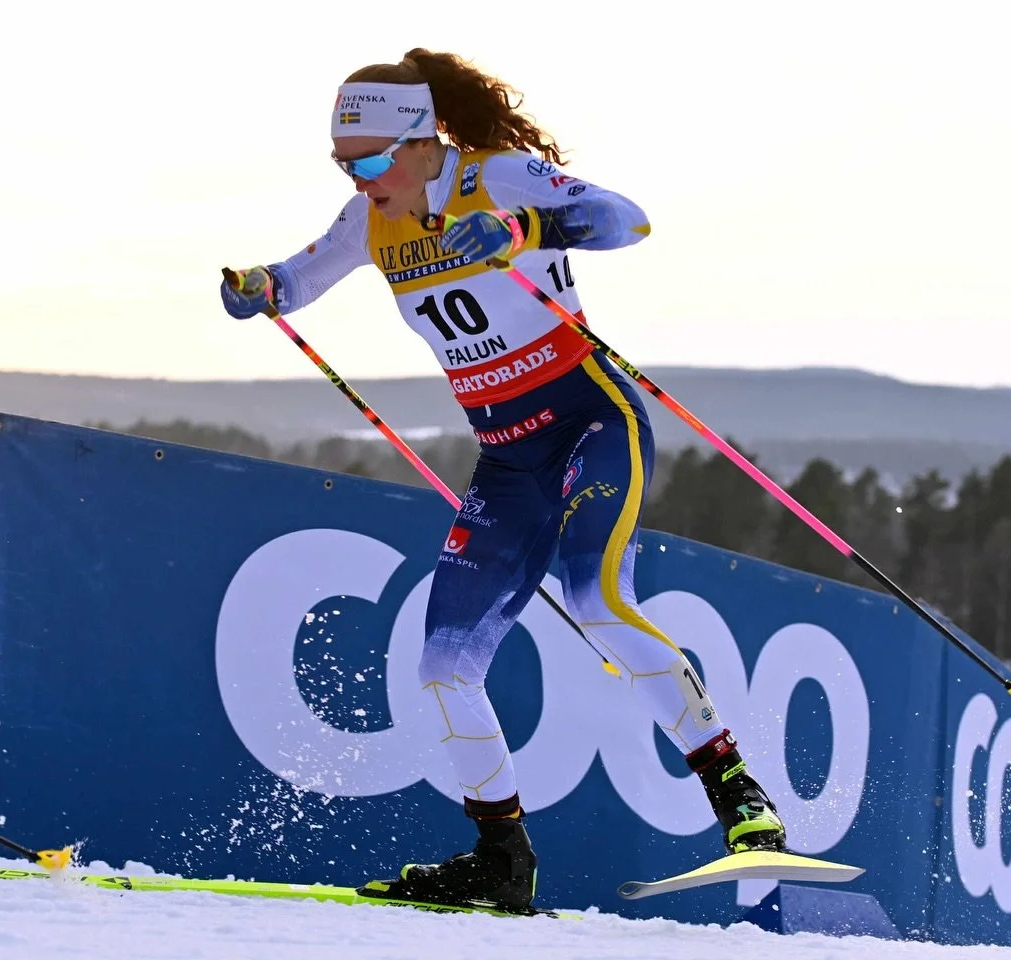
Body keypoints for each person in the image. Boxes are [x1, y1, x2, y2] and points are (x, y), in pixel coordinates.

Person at [220, 48, 786, 914]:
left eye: (372, 160)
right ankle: (501, 860)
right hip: (507, 459)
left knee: (598, 601)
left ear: (420, 141)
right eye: (345, 162)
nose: (362, 177)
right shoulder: (367, 221)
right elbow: (296, 281)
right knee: (443, 665)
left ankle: (740, 798)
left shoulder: (501, 178)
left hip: (590, 420)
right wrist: (258, 286)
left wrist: (528, 230)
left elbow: (626, 220)